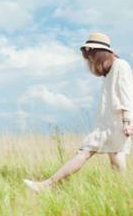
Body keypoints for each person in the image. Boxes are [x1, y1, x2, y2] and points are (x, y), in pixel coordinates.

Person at [24, 32, 133, 193]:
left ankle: (46, 186)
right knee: (115, 159)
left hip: (117, 123)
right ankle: (124, 194)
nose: (89, 59)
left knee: (86, 152)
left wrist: (127, 122)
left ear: (100, 53)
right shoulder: (109, 71)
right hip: (108, 123)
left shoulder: (120, 66)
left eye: (91, 55)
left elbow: (126, 94)